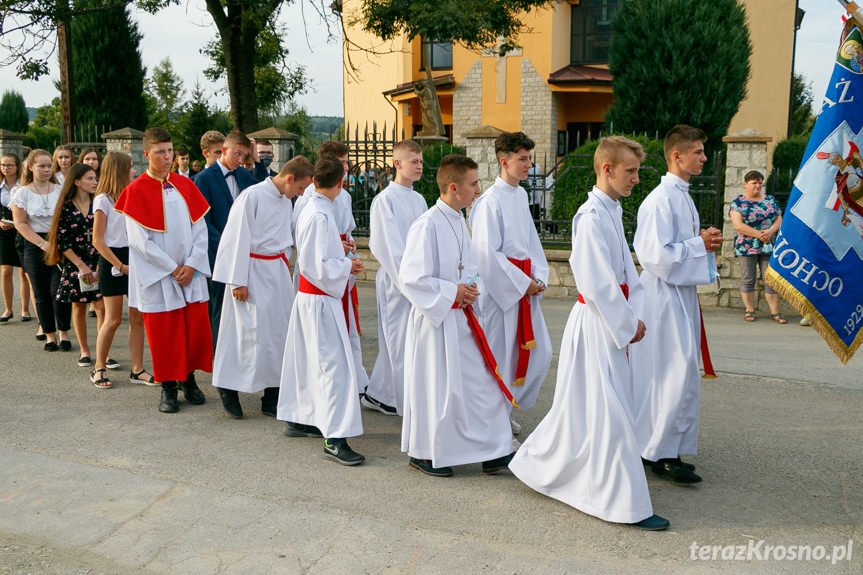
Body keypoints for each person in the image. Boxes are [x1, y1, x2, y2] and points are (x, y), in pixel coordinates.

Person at [509, 136, 669, 531]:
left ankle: (537, 464)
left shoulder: (611, 210)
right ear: (607, 169)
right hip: (597, 323)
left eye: (636, 171)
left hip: (609, 321)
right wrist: (628, 324)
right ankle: (622, 502)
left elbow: (627, 273)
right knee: (607, 411)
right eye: (630, 171)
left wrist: (639, 314)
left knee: (583, 410)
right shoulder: (590, 216)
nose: (636, 179)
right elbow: (598, 283)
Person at [399, 154, 515, 477]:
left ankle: (495, 450)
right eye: (473, 184)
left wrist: (471, 288)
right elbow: (412, 278)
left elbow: (471, 265)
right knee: (438, 390)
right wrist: (453, 293)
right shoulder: (427, 225)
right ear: (454, 187)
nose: (478, 190)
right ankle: (425, 453)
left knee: (483, 385)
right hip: (435, 324)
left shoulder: (459, 219)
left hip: (462, 318)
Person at [632, 125, 722, 484]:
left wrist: (703, 244)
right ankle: (659, 451)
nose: (703, 157)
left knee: (679, 371)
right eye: (698, 152)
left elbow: (682, 246)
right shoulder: (659, 200)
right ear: (677, 156)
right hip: (661, 297)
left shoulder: (682, 195)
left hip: (679, 295)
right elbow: (653, 255)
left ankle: (664, 446)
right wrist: (699, 244)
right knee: (671, 371)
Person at [276, 155, 366, 466]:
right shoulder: (318, 215)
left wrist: (337, 250)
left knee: (312, 363)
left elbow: (316, 252)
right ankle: (335, 439)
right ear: (341, 184)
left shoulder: (316, 209)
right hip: (319, 300)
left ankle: (301, 418)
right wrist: (348, 264)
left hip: (315, 299)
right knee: (334, 368)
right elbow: (315, 267)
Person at [115, 127, 212, 413]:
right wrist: (173, 268)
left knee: (192, 329)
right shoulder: (134, 192)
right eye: (160, 152)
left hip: (189, 272)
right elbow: (139, 242)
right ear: (146, 155)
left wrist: (193, 264)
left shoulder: (186, 185)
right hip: (159, 275)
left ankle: (189, 379)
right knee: (165, 332)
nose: (167, 157)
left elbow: (201, 229)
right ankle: (168, 387)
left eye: (169, 150)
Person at [211, 156, 314, 418]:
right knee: (244, 333)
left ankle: (272, 392)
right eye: (301, 188)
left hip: (276, 271)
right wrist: (238, 280)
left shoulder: (285, 200)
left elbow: (290, 234)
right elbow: (236, 237)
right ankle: (228, 386)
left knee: (277, 334)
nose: (301, 194)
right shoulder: (252, 196)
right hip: (251, 271)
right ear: (289, 178)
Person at [469, 131, 552, 438]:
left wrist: (538, 276)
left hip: (524, 287)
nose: (528, 164)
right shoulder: (489, 201)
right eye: (522, 159)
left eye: (528, 158)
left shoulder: (519, 195)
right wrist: (521, 282)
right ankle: (493, 422)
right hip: (502, 292)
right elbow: (487, 254)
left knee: (538, 354)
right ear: (504, 161)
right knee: (500, 358)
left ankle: (505, 408)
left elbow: (531, 242)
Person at [292, 141, 369, 398]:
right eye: (343, 163)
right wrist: (345, 261)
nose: (347, 168)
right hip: (322, 281)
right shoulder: (312, 207)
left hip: (335, 267)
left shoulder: (340, 198)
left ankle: (354, 380)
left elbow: (343, 231)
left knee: (345, 332)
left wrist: (345, 247)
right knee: (324, 349)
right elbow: (310, 251)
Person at [364, 139, 427, 415]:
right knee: (397, 341)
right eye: (414, 161)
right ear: (397, 163)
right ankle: (406, 405)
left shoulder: (419, 198)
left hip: (418, 278)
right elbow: (389, 247)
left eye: (421, 162)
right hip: (396, 280)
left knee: (411, 341)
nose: (419, 166)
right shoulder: (384, 200)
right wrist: (411, 282)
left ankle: (380, 394)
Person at [92, 151, 153, 389]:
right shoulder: (103, 200)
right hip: (112, 260)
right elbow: (98, 240)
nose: (134, 170)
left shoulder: (133, 194)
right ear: (119, 169)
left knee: (138, 317)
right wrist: (119, 265)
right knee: (113, 319)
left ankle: (137, 370)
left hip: (134, 256)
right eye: (129, 166)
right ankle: (99, 367)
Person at [196, 130, 262, 348]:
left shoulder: (244, 175)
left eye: (244, 155)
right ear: (223, 151)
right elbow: (203, 222)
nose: (240, 160)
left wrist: (257, 160)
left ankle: (239, 348)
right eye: (237, 154)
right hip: (218, 254)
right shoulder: (203, 179)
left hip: (244, 253)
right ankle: (217, 351)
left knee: (242, 305)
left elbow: (265, 192)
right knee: (218, 306)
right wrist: (227, 245)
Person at [45, 163, 105, 369]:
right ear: (77, 181)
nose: (94, 182)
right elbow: (62, 241)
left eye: (95, 178)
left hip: (99, 261)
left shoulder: (99, 203)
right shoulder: (66, 206)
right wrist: (81, 266)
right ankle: (84, 350)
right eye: (90, 178)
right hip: (75, 264)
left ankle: (101, 351)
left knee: (101, 306)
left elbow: (106, 235)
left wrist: (97, 265)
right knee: (78, 306)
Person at [12, 149, 72, 351]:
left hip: (58, 243)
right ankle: (49, 335)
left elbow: (67, 218)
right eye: (42, 166)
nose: (47, 170)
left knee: (60, 291)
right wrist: (41, 243)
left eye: (49, 166)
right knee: (41, 292)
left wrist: (58, 243)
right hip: (33, 244)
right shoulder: (22, 192)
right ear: (31, 167)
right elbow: (20, 223)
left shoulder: (59, 189)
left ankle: (64, 332)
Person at [729, 170, 785, 323]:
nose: (758, 186)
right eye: (754, 183)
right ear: (745, 184)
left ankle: (775, 312)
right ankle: (749, 310)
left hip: (768, 245)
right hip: (746, 246)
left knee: (770, 278)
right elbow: (738, 225)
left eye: (760, 182)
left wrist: (771, 231)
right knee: (748, 277)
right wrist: (759, 234)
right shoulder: (738, 203)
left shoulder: (770, 200)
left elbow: (779, 217)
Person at [0, 153, 32, 323]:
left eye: (9, 165)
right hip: (4, 231)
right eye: (3, 165)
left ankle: (25, 309)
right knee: (5, 270)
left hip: (22, 230)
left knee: (23, 271)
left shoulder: (24, 185)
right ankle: (8, 309)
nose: (6, 168)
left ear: (17, 166)